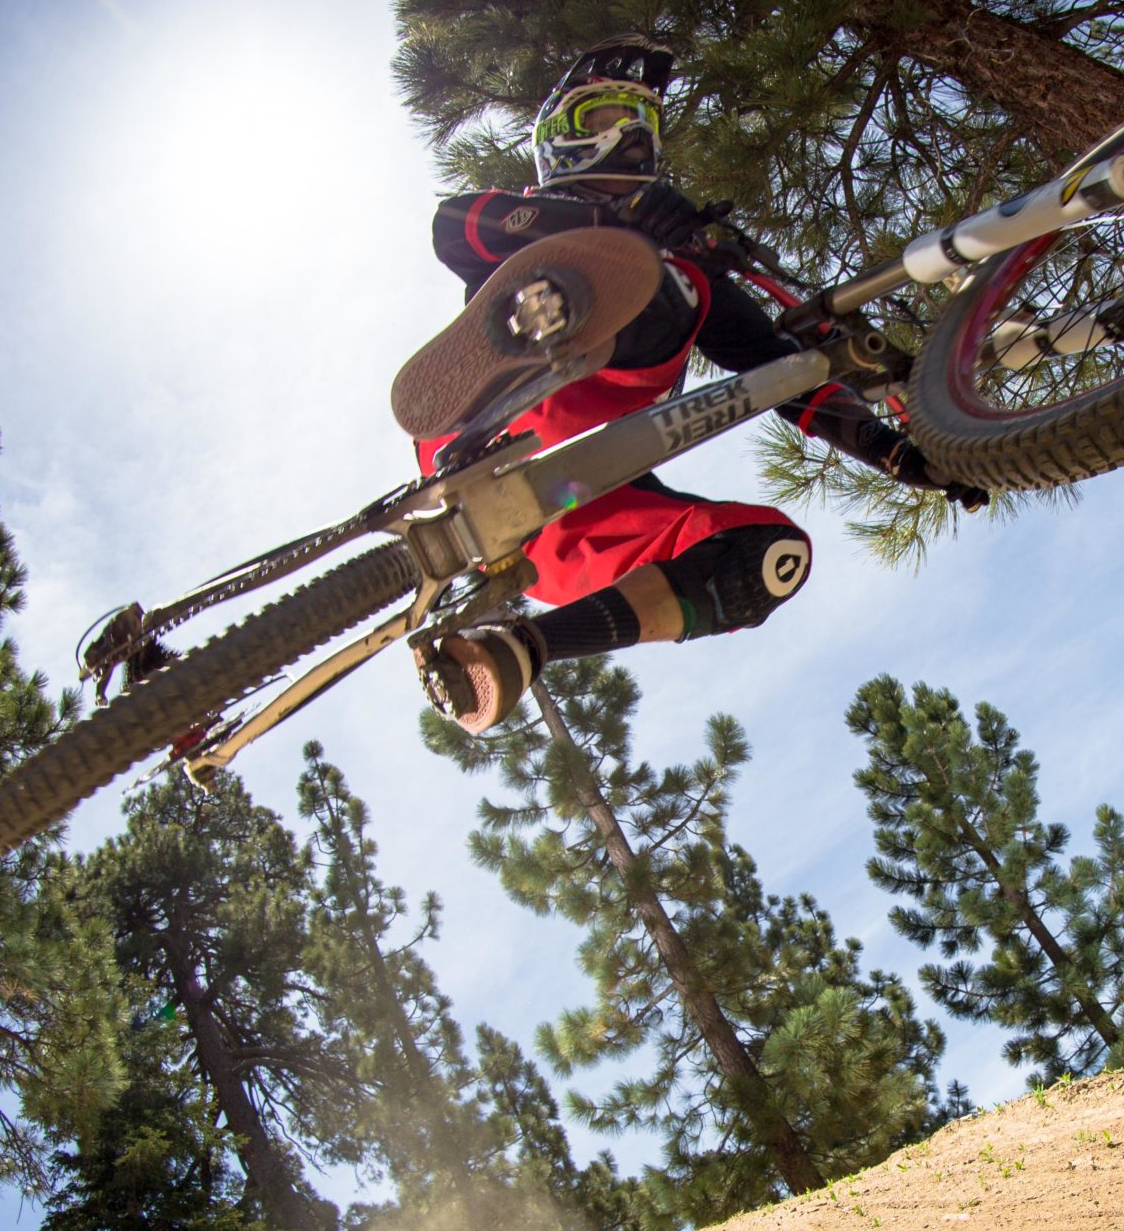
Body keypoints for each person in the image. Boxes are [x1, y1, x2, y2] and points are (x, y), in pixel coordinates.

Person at [396, 36, 984, 735]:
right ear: (556, 140)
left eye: (642, 120)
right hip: (491, 415)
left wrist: (898, 454)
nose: (629, 133)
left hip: (569, 519)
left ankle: (523, 648)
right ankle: (548, 324)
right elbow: (452, 228)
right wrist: (617, 225)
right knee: (648, 278)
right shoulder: (517, 214)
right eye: (603, 116)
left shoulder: (692, 277)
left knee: (767, 556)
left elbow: (787, 377)